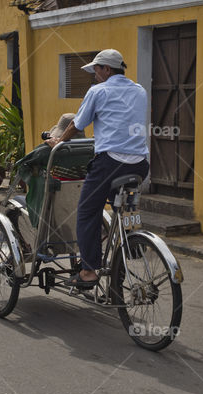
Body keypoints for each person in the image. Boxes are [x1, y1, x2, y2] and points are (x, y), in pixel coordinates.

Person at [46, 49, 149, 288]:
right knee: (124, 206)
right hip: (140, 164)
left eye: (96, 70)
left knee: (86, 212)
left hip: (110, 164)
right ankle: (131, 241)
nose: (94, 74)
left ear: (107, 69)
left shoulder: (98, 91)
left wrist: (59, 142)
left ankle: (89, 271)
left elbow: (76, 124)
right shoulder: (140, 90)